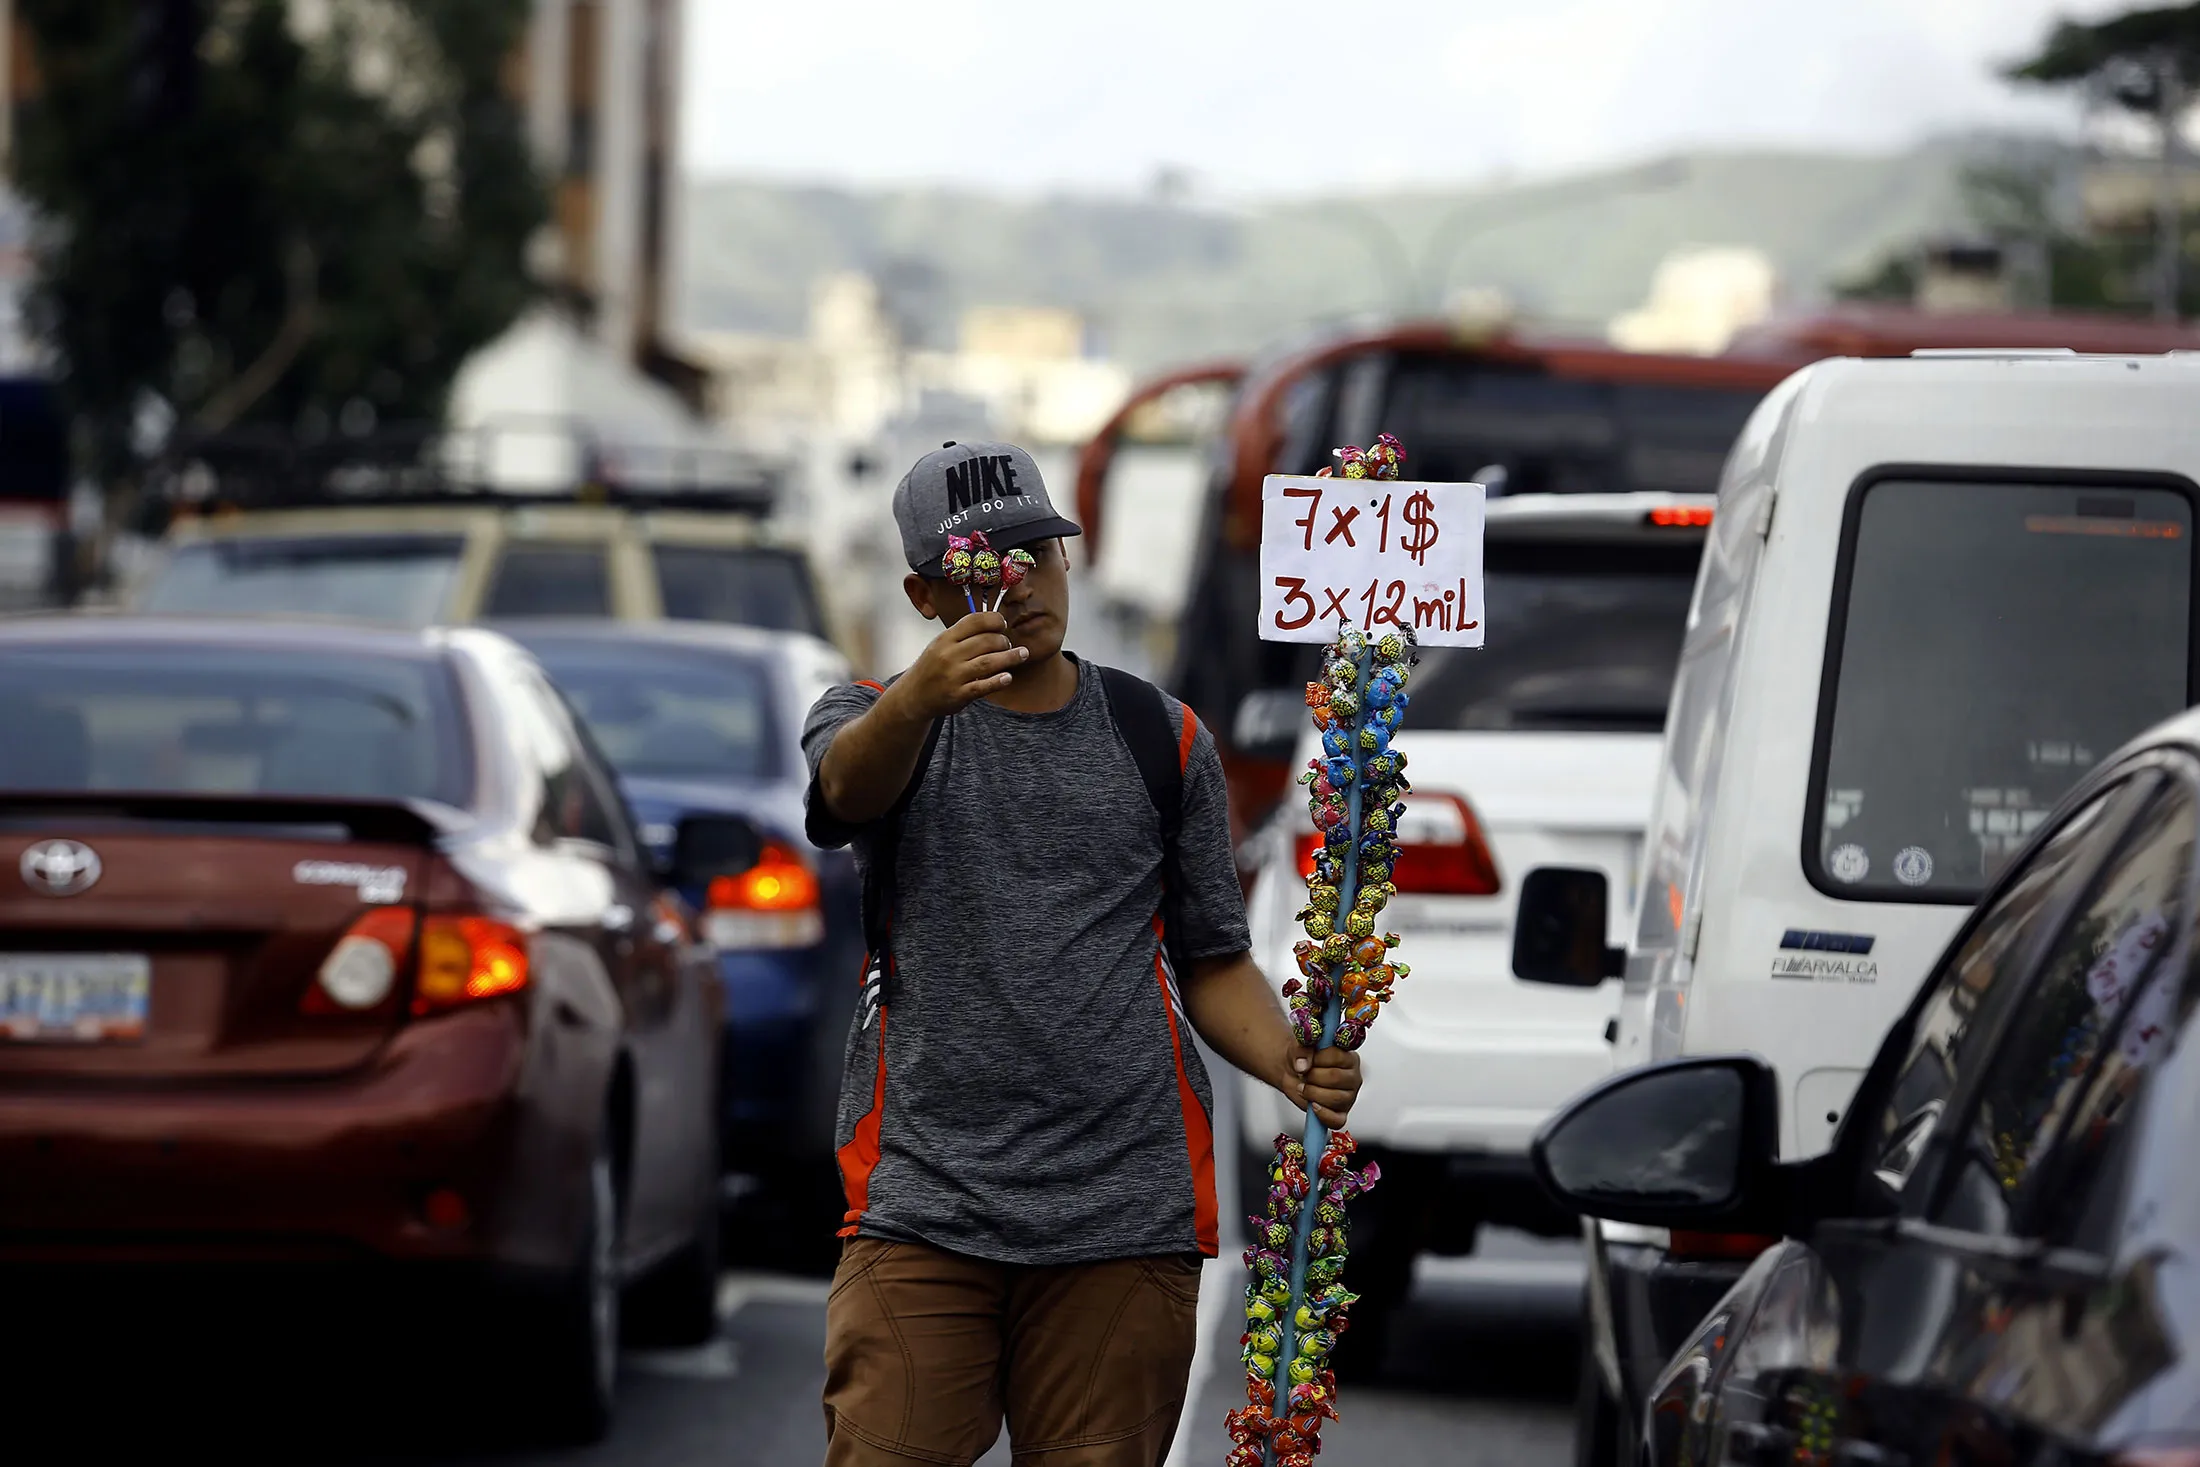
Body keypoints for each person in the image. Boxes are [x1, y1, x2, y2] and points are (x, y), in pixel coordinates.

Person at [804, 441, 1362, 1467]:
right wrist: (921, 700)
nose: (1019, 592)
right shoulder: (872, 719)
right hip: (924, 1205)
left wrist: (1290, 1061)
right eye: (983, 573)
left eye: (1039, 560)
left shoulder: (1165, 737)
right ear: (924, 595)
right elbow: (842, 796)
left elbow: (1211, 959)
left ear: (1071, 563)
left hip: (1124, 1213)